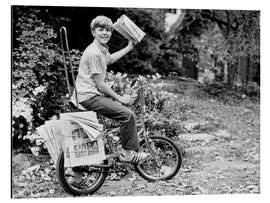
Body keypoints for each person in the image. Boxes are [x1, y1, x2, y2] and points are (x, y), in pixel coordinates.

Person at [71, 15, 148, 163]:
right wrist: (121, 99)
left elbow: (110, 59)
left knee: (111, 121)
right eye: (101, 30)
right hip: (89, 96)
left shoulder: (100, 49)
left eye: (108, 30)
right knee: (127, 115)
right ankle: (127, 154)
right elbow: (100, 84)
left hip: (90, 94)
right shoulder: (94, 52)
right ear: (93, 32)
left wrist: (129, 47)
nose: (105, 33)